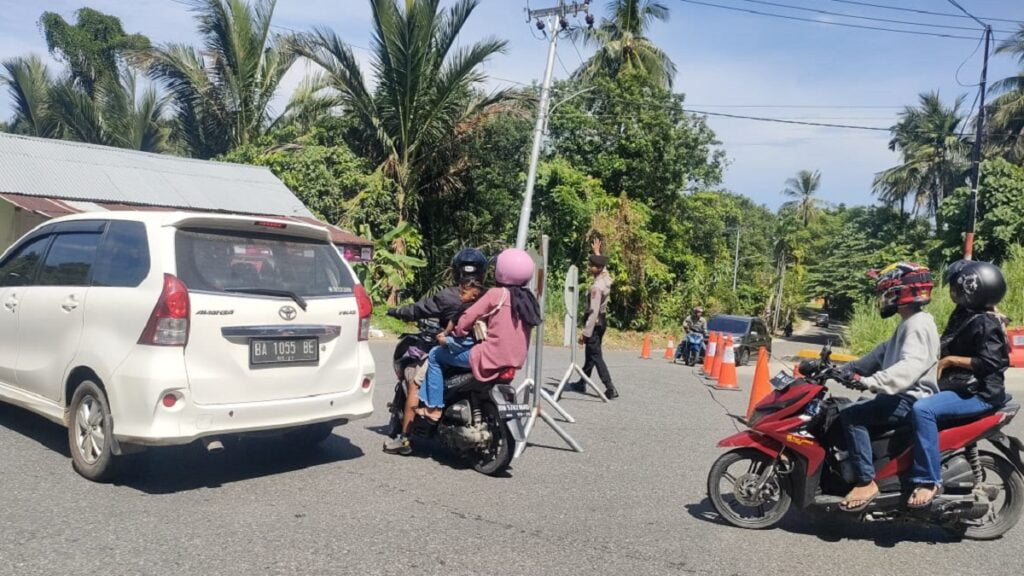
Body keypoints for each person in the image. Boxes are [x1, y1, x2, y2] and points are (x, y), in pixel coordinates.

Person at [906, 260, 1010, 508]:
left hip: (980, 393)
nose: (952, 290)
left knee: (924, 410)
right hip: (960, 386)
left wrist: (951, 360)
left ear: (970, 287)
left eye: (955, 285)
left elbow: (992, 363)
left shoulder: (986, 322)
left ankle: (929, 480)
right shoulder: (966, 313)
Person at [837, 262, 940, 512]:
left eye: (885, 292)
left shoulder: (917, 325)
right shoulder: (910, 322)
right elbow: (880, 354)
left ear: (899, 293)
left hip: (909, 398)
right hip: (903, 395)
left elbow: (909, 366)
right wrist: (844, 369)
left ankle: (865, 481)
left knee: (851, 416)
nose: (882, 299)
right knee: (857, 406)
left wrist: (870, 382)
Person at [410, 248, 541, 420]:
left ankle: (434, 408)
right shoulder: (528, 299)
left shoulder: (496, 294)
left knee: (435, 355)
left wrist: (457, 332)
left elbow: (467, 317)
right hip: (515, 360)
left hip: (490, 357)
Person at [383, 248, 487, 455]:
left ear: (456, 271)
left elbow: (417, 310)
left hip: (452, 351)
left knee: (414, 381)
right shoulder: (489, 295)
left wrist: (396, 311)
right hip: (484, 352)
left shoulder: (449, 295)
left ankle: (405, 440)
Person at [564, 239, 618, 399]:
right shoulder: (605, 279)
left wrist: (585, 333)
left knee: (596, 355)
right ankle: (582, 381)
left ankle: (610, 387)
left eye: (592, 265)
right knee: (590, 353)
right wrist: (597, 253)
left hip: (595, 323)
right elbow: (605, 268)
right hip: (603, 322)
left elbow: (593, 312)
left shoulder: (596, 287)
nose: (589, 267)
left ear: (598, 268)